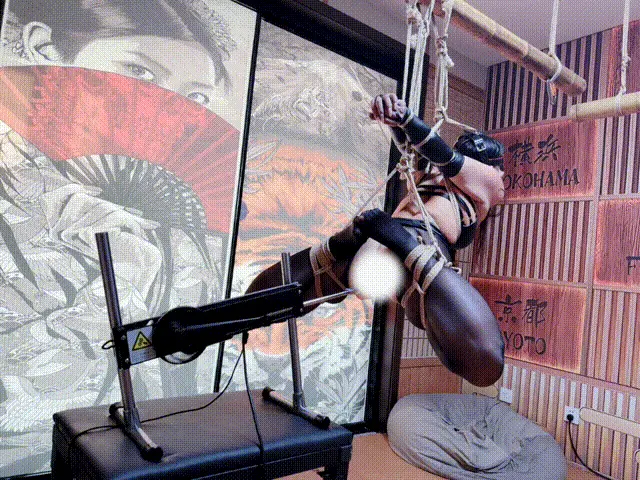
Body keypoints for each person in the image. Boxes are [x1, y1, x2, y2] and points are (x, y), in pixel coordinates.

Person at [247, 93, 505, 387]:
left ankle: (334, 248)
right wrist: (400, 120)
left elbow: (433, 152)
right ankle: (394, 246)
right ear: (491, 164)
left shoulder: (449, 174)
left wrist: (401, 120)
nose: (502, 176)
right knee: (487, 361)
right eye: (501, 167)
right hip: (413, 249)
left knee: (304, 284)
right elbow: (434, 153)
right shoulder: (487, 179)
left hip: (375, 247)